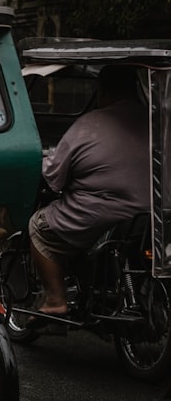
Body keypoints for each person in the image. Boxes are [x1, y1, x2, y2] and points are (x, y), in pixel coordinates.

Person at [29, 64, 150, 319]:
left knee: (38, 228)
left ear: (102, 91)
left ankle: (55, 299)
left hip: (103, 216)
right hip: (153, 216)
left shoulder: (89, 124)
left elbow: (52, 178)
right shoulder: (156, 120)